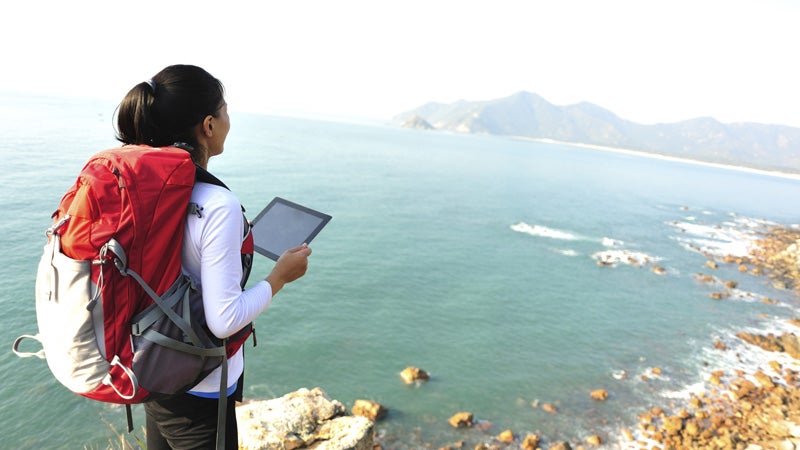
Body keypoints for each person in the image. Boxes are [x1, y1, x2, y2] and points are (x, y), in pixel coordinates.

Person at [115, 64, 312, 449]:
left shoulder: (144, 190)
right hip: (199, 388)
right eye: (225, 111)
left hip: (151, 368)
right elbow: (225, 321)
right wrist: (280, 278)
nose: (228, 120)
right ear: (208, 124)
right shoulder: (217, 204)